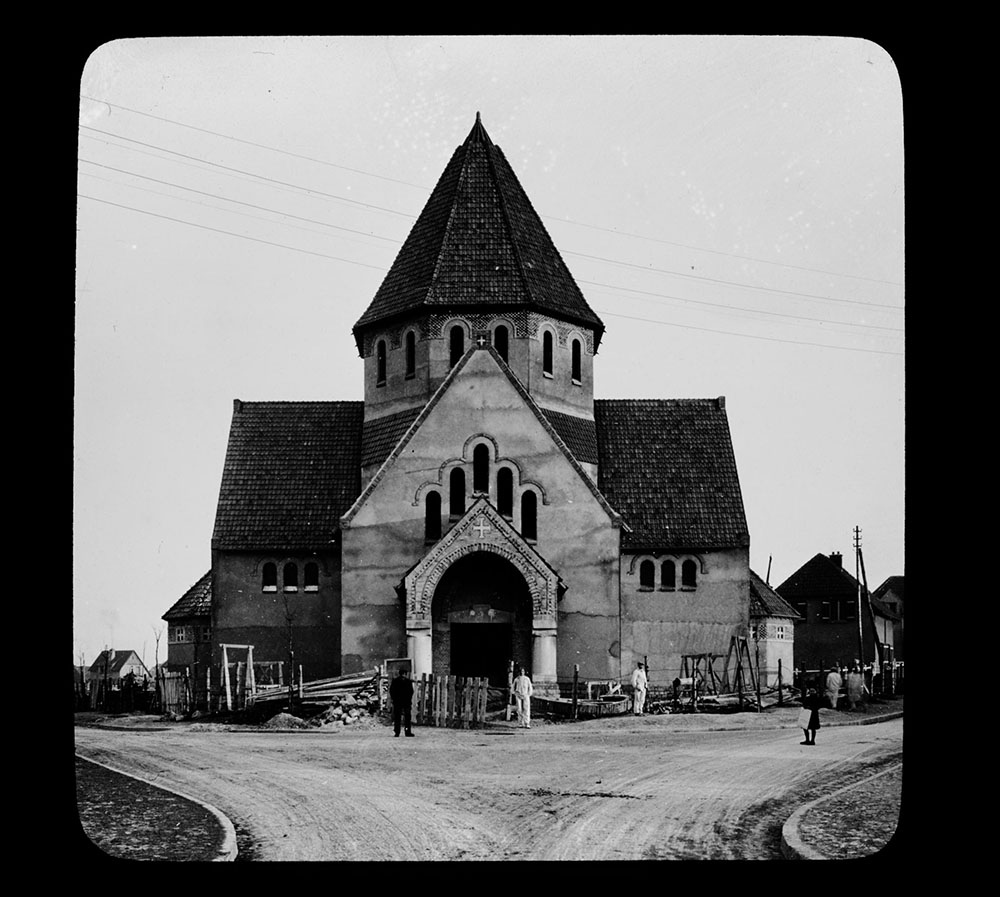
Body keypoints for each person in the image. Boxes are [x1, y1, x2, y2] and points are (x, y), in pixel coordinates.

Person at [389, 668, 414, 737]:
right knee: (407, 718)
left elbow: (392, 691)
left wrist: (394, 699)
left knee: (397, 718)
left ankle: (397, 732)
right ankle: (407, 732)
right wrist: (408, 699)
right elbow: (411, 692)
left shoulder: (395, 681)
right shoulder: (408, 682)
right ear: (405, 674)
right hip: (406, 702)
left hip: (398, 702)